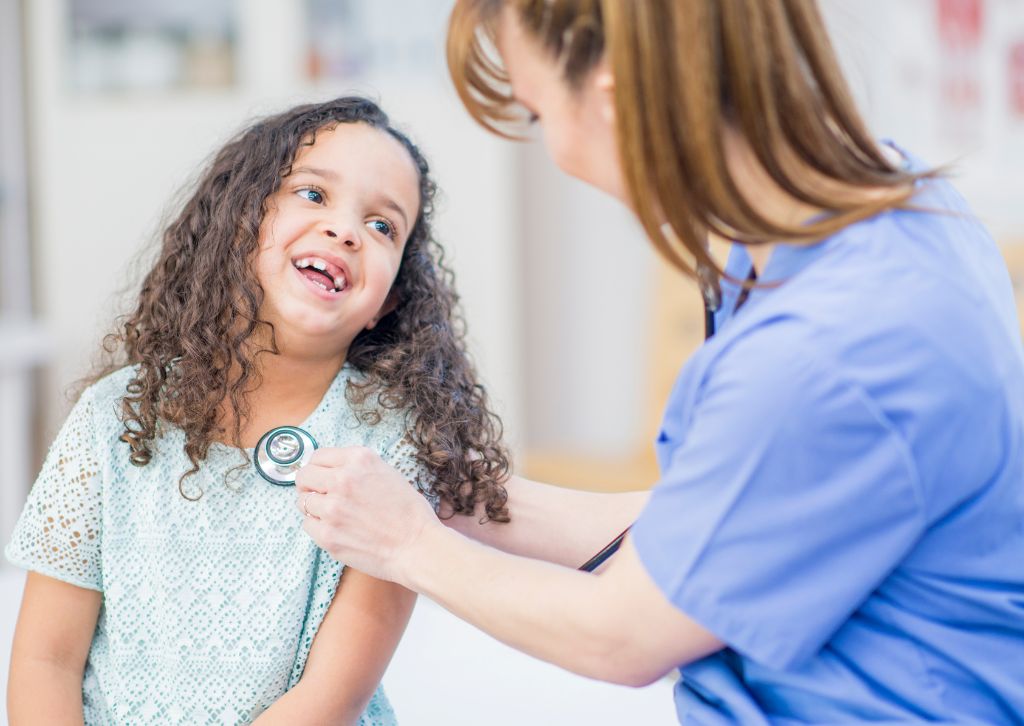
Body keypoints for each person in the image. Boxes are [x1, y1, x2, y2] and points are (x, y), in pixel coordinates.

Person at [295, 2, 1024, 724]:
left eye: (540, 115)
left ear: (617, 101)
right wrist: (448, 498)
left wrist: (407, 542)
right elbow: (722, 513)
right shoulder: (901, 204)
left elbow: (623, 632)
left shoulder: (826, 349)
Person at [5, 96, 510, 725]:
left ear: (389, 299)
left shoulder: (391, 445)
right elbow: (45, 661)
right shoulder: (114, 416)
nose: (347, 230)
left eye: (384, 226)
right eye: (314, 194)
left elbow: (334, 697)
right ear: (241, 219)